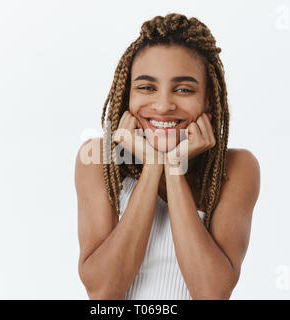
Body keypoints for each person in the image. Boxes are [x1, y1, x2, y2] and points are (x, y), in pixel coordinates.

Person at [74, 13, 260, 300]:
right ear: (127, 94)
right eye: (146, 87)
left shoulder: (237, 168)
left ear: (208, 99)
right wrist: (153, 167)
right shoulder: (98, 159)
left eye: (183, 89)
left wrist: (173, 167)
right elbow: (103, 292)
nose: (162, 105)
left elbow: (212, 293)